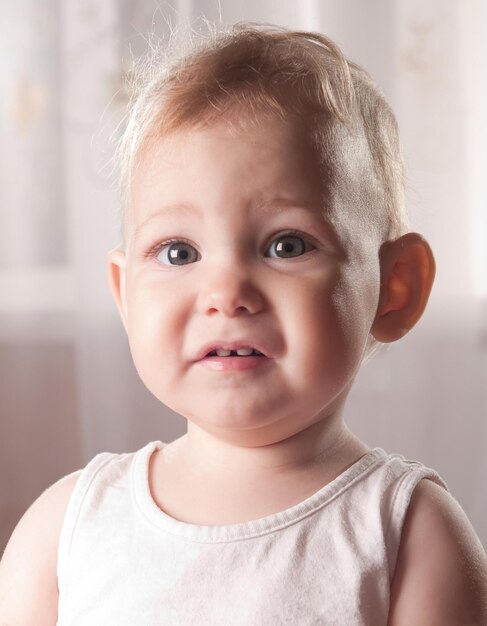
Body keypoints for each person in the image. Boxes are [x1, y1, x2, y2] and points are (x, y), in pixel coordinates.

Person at [0, 22, 486, 625]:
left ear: (395, 288)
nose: (226, 294)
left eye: (285, 245)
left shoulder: (409, 535)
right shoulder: (64, 533)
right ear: (126, 296)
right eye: (178, 252)